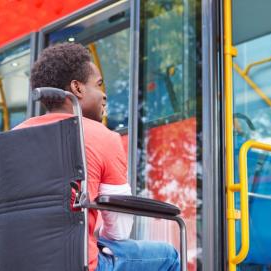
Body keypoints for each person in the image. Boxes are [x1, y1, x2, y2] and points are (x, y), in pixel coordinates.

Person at [16, 42, 180, 271]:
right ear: (77, 88)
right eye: (99, 85)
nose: (104, 96)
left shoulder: (11, 138)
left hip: (13, 263)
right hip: (78, 264)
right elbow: (119, 231)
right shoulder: (101, 136)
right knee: (169, 255)